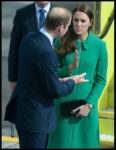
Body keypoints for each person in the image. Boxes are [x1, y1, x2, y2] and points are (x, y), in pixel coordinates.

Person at [4, 7, 89, 149]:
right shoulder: (47, 52)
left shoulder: (28, 38)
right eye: (68, 26)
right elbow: (54, 91)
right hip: (36, 119)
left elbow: (36, 76)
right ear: (60, 27)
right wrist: (73, 81)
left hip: (22, 113)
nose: (68, 30)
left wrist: (63, 78)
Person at [47, 4, 108, 149]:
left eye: (83, 20)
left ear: (90, 23)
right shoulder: (59, 41)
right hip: (62, 107)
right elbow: (52, 73)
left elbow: (101, 80)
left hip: (86, 108)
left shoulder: (100, 46)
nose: (78, 24)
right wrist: (69, 68)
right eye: (75, 20)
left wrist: (89, 105)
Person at [8, 1, 54, 93]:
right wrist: (13, 80)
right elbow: (14, 49)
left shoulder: (61, 13)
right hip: (27, 79)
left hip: (53, 77)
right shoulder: (22, 14)